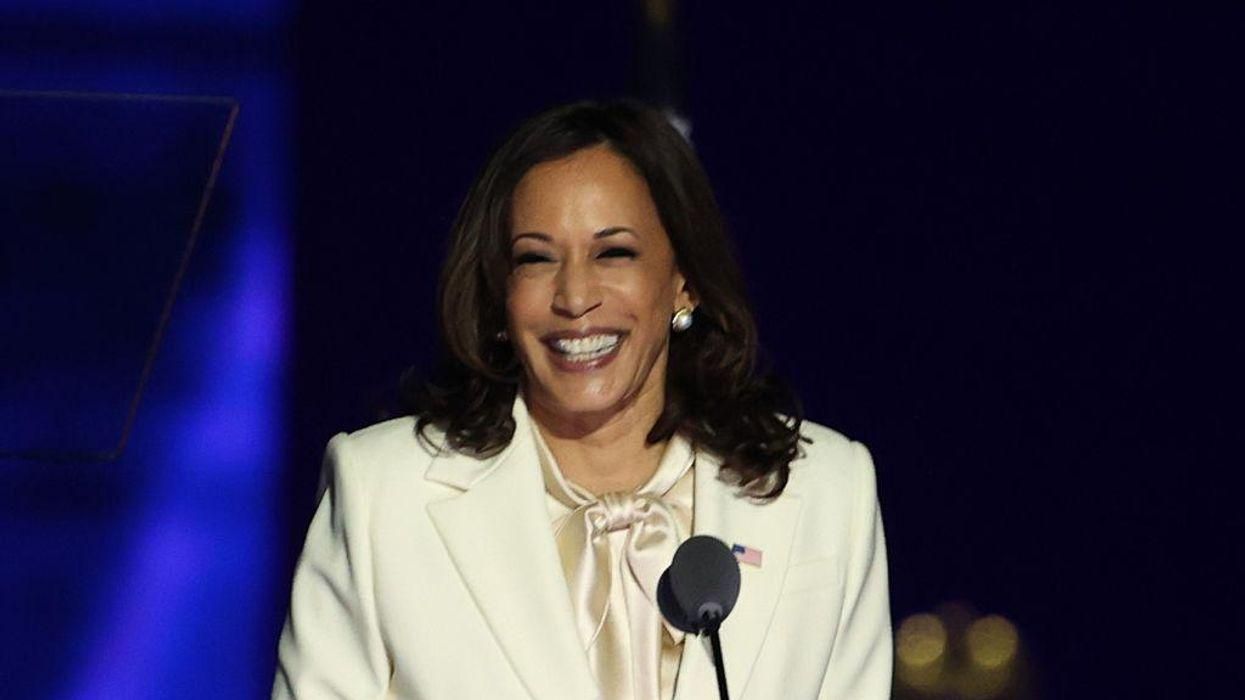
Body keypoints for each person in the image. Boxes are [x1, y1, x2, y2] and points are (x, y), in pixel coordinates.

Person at [273, 100, 891, 699]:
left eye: (613, 253)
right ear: (499, 294)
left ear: (685, 281)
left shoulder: (830, 490)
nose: (574, 297)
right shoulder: (383, 493)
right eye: (536, 258)